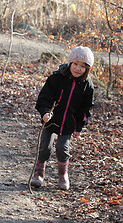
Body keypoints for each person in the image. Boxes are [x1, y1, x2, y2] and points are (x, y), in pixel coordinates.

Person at [31, 46, 94, 190]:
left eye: (82, 66)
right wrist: (45, 112)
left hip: (68, 123)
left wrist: (79, 126)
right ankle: (38, 174)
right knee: (44, 148)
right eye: (75, 64)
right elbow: (44, 98)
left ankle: (62, 175)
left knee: (62, 147)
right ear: (70, 63)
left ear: (87, 68)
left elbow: (86, 108)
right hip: (51, 119)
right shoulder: (56, 78)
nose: (78, 69)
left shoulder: (87, 86)